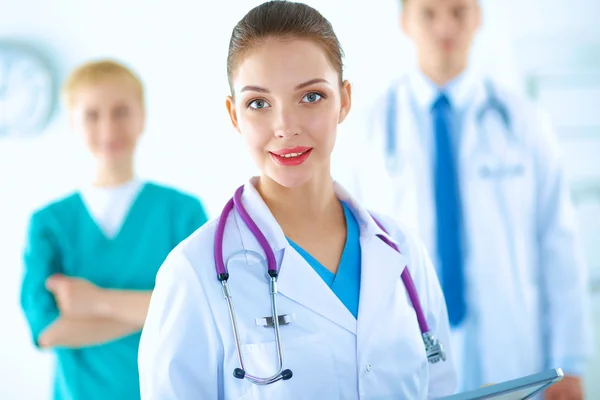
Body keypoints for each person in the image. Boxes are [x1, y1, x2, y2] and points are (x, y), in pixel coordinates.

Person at [137, 1, 458, 399]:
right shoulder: (194, 272)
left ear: (344, 100)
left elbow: (443, 389)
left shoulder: (401, 250)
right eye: (258, 103)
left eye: (311, 97)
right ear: (233, 115)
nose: (285, 127)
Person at [345, 0, 594, 398]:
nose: (445, 26)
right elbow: (352, 255)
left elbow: (558, 245)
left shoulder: (524, 121)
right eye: (429, 13)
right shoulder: (370, 129)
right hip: (409, 347)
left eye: (458, 11)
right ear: (405, 21)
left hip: (511, 346)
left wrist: (570, 360)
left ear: (478, 17)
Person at [19, 59, 209, 400]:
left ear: (142, 117)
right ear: (73, 124)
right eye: (92, 115)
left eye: (121, 111)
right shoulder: (49, 224)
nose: (108, 128)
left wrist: (94, 301)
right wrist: (157, 310)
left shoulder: (181, 212)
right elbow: (47, 330)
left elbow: (201, 311)